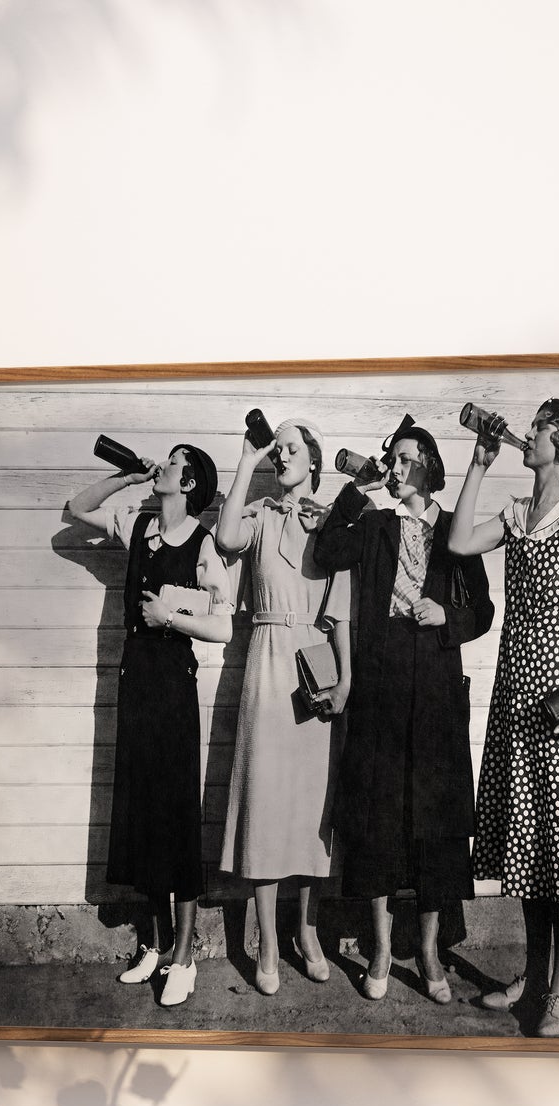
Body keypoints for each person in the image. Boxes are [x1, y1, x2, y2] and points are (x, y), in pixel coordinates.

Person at [449, 398, 559, 1038]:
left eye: (543, 425)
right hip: (514, 695)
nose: (532, 430)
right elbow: (460, 541)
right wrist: (478, 463)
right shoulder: (517, 515)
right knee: (527, 841)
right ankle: (535, 971)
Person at [312, 416, 492, 1004]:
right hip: (382, 677)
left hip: (436, 679)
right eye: (392, 459)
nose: (394, 466)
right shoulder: (376, 522)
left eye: (403, 459)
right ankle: (384, 950)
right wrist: (358, 487)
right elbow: (327, 549)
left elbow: (484, 610)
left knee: (436, 822)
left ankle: (433, 953)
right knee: (379, 816)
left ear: (427, 468)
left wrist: (449, 618)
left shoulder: (453, 530)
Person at [67, 445, 235, 1007]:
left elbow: (224, 627)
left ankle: (185, 956)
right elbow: (77, 505)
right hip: (134, 681)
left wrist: (173, 617)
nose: (160, 466)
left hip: (173, 690)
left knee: (176, 817)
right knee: (140, 814)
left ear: (188, 483)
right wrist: (125, 476)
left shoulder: (203, 542)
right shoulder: (137, 524)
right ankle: (152, 945)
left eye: (170, 463)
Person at [214, 419, 350, 993]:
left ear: (315, 462)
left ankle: (308, 931)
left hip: (315, 659)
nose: (283, 455)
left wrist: (345, 679)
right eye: (279, 449)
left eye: (294, 448)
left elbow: (340, 608)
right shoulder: (263, 515)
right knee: (268, 803)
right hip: (269, 657)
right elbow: (223, 539)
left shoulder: (331, 521)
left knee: (312, 806)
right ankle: (268, 942)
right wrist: (249, 459)